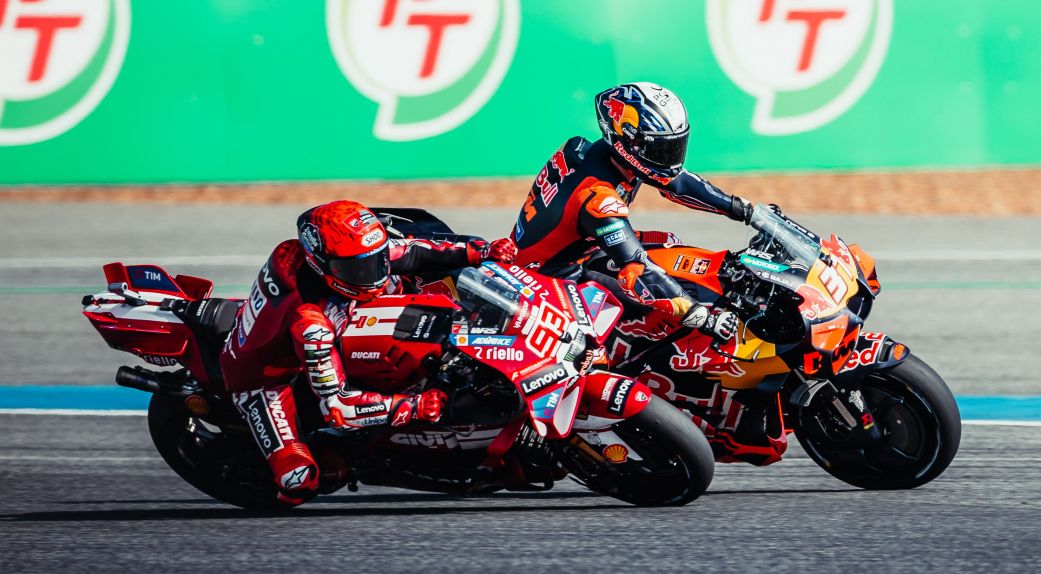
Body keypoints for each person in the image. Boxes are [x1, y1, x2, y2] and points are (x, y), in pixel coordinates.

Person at [219, 200, 518, 506]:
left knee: (418, 284)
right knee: (298, 482)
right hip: (266, 381)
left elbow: (410, 250)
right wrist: (412, 406)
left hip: (322, 321)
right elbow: (338, 408)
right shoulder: (311, 325)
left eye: (375, 260)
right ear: (322, 265)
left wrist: (481, 252)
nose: (372, 274)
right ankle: (338, 455)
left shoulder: (348, 258)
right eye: (357, 268)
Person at [511, 81, 767, 341]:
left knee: (670, 245)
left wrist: (744, 210)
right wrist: (702, 317)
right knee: (595, 352)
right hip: (547, 283)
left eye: (674, 147)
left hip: (580, 253)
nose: (670, 158)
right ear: (626, 141)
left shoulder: (599, 153)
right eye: (660, 150)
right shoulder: (597, 197)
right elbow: (637, 267)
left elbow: (677, 183)